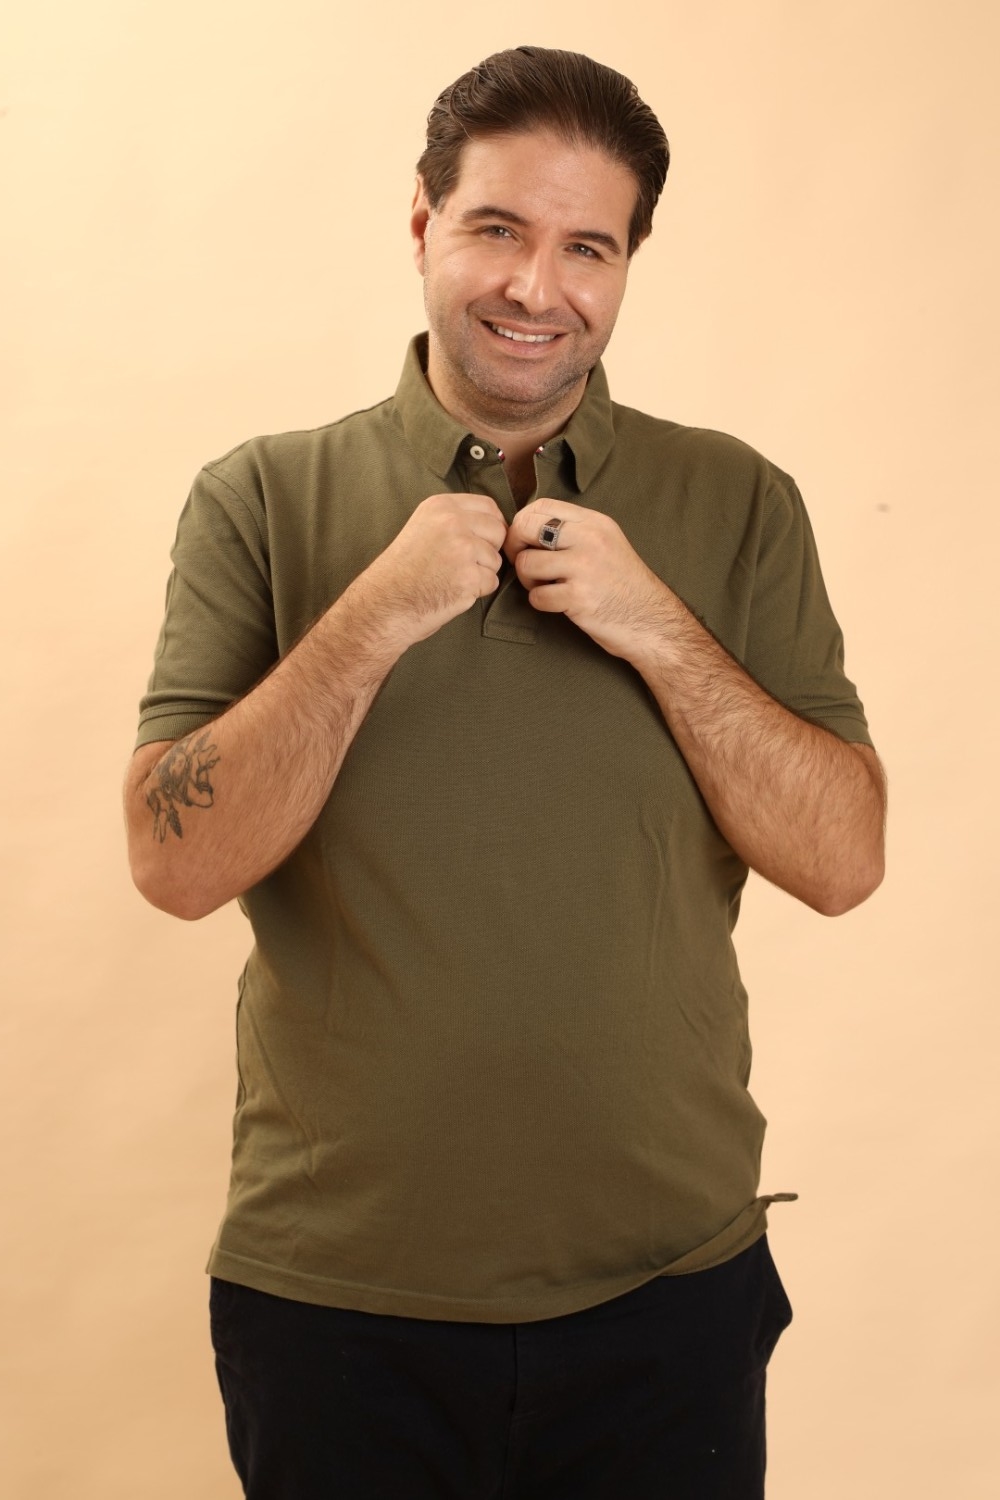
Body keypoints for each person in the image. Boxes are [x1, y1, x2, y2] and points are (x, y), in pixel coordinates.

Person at [125, 45, 885, 1500]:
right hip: (338, 1300)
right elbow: (174, 864)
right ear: (422, 223)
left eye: (588, 246)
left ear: (629, 264)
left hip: (670, 1291)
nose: (539, 287)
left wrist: (656, 628)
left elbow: (845, 860)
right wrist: (375, 615)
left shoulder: (737, 502)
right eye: (497, 228)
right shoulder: (261, 496)